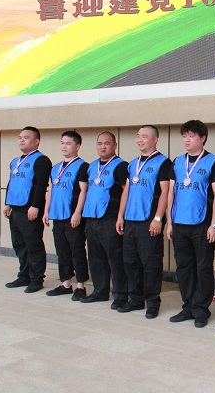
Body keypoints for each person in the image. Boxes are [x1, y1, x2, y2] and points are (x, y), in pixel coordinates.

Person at [166, 120, 215, 328]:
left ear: (203, 138)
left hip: (202, 224)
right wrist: (169, 222)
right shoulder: (177, 162)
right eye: (184, 136)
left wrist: (214, 225)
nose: (187, 140)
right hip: (179, 223)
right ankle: (188, 306)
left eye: (191, 136)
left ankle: (201, 309)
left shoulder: (213, 162)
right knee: (184, 267)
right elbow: (171, 193)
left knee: (203, 268)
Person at [116, 125, 172, 319]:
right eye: (138, 136)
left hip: (149, 220)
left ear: (155, 139)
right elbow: (126, 191)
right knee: (130, 262)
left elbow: (165, 192)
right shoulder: (133, 164)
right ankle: (135, 299)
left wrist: (158, 218)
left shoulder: (163, 162)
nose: (140, 140)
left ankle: (153, 302)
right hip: (130, 220)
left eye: (145, 136)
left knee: (151, 264)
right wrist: (120, 216)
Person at [80, 131, 129, 309]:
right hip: (91, 218)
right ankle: (100, 291)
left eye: (107, 143)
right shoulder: (92, 166)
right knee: (95, 257)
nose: (103, 146)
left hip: (110, 219)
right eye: (100, 143)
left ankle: (120, 295)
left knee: (115, 259)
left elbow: (126, 191)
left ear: (115, 145)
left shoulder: (121, 166)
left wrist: (120, 216)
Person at [4, 126, 52, 293]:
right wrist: (7, 203)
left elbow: (41, 185)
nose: (22, 140)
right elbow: (11, 182)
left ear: (36, 141)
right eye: (20, 137)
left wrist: (35, 206)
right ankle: (24, 275)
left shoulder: (41, 160)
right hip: (15, 209)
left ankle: (37, 279)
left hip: (29, 209)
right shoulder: (15, 161)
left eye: (26, 137)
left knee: (33, 244)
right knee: (19, 244)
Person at [43, 131, 89, 301]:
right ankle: (66, 284)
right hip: (58, 216)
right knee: (62, 251)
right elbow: (51, 190)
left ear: (77, 146)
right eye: (62, 143)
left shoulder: (82, 166)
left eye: (68, 143)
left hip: (73, 217)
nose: (64, 146)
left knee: (77, 251)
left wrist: (77, 213)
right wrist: (46, 211)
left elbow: (84, 191)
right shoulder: (55, 168)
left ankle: (81, 286)